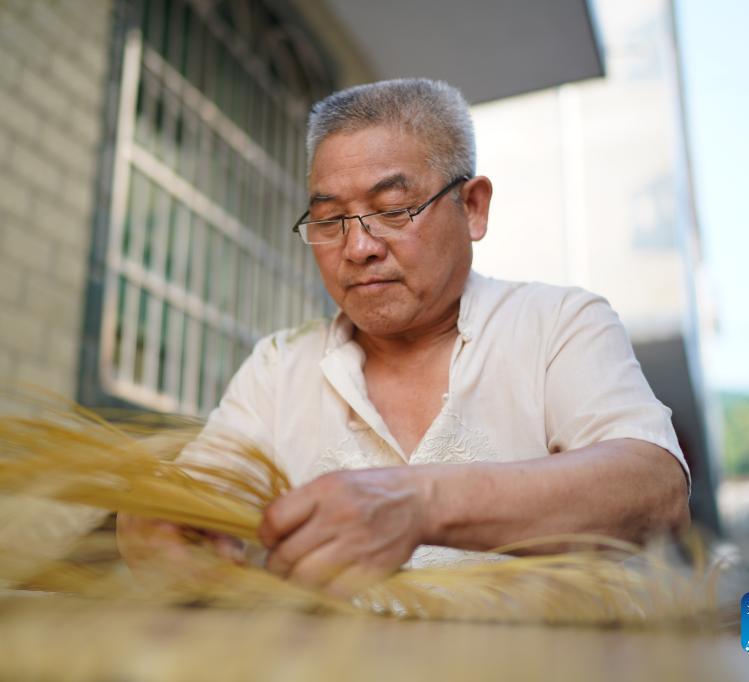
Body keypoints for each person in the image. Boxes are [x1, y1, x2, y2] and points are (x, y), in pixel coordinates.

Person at [118, 78, 690, 596]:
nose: (359, 247)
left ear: (472, 207)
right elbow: (200, 493)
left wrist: (419, 502)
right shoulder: (278, 367)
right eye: (329, 219)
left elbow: (654, 487)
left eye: (392, 209)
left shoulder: (558, 324)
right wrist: (158, 524)